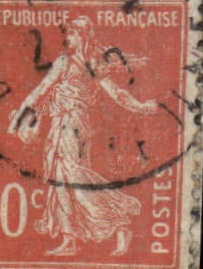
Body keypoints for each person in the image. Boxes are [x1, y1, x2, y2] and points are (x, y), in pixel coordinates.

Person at [9, 16, 159, 258]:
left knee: (72, 178)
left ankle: (120, 220)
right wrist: (141, 107)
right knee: (63, 183)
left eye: (74, 34)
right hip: (67, 126)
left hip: (71, 126)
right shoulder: (86, 64)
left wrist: (16, 122)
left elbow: (41, 91)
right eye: (69, 34)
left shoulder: (69, 63)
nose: (69, 38)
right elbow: (117, 94)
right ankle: (71, 241)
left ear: (83, 36)